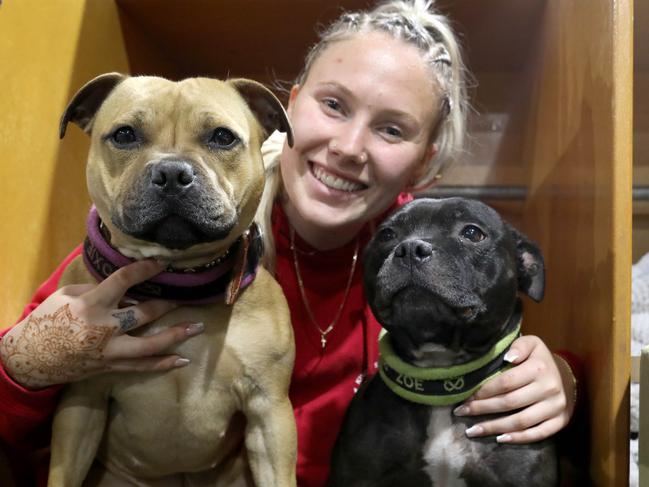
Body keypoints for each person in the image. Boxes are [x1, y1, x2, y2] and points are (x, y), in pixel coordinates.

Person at [0, 1, 579, 486]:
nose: (349, 146)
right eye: (333, 105)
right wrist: (22, 367)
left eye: (392, 128)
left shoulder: (417, 255)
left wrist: (561, 378)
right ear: (289, 107)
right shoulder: (137, 248)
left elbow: (508, 340)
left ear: (425, 161)